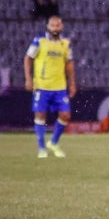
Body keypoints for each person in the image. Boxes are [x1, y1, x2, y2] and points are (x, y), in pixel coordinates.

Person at [24, 15, 76, 158]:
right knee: (40, 115)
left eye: (57, 25)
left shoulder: (65, 43)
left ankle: (53, 142)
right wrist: (28, 79)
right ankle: (41, 148)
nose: (55, 28)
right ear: (48, 26)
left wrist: (72, 83)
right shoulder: (39, 41)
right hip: (42, 86)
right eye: (52, 25)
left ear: (62, 27)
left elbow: (69, 63)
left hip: (60, 87)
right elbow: (28, 58)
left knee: (65, 115)